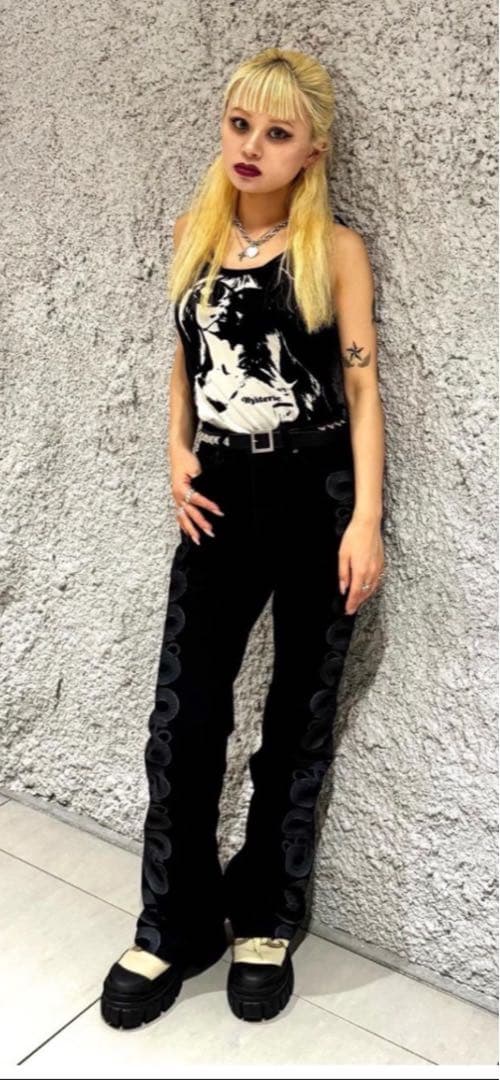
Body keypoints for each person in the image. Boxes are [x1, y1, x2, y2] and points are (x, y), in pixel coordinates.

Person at [101, 46, 385, 1029]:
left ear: (311, 151)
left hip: (314, 498)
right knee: (184, 719)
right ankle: (176, 923)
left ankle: (264, 914)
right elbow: (186, 356)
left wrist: (364, 520)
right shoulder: (195, 232)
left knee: (294, 720)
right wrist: (174, 451)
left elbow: (360, 389)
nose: (251, 145)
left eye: (276, 131)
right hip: (218, 499)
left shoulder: (333, 251)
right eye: (238, 123)